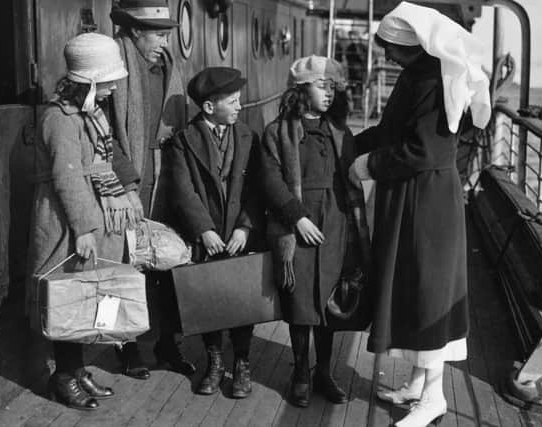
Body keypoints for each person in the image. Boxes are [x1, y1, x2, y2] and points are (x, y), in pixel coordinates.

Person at [348, 3, 490, 426]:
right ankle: (416, 383)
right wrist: (347, 145)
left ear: (412, 44)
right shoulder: (420, 75)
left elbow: (426, 150)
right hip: (415, 196)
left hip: (427, 202)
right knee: (414, 286)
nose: (386, 56)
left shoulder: (433, 80)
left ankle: (434, 398)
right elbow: (394, 133)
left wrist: (368, 165)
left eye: (390, 48)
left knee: (429, 292)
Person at [26, 32, 142, 410]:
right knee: (68, 296)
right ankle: (62, 377)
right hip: (66, 221)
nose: (111, 89)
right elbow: (68, 178)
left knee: (83, 292)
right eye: (107, 82)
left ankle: (75, 371)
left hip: (82, 215)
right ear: (90, 82)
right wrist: (85, 231)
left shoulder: (87, 114)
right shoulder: (61, 120)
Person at [259, 55, 370, 408]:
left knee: (328, 301)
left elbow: (352, 176)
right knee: (301, 302)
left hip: (336, 224)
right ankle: (301, 373)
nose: (328, 93)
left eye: (332, 87)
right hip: (300, 226)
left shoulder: (340, 131)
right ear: (300, 88)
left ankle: (324, 371)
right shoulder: (277, 132)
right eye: (321, 86)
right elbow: (270, 180)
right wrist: (297, 218)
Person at [109, 0, 194, 379]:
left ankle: (166, 343)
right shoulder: (114, 70)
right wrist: (126, 182)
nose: (163, 41)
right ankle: (126, 348)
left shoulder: (167, 67)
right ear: (134, 32)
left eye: (166, 34)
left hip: (164, 179)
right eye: (158, 34)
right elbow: (103, 135)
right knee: (125, 265)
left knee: (167, 264)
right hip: (129, 182)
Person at [165, 67, 262, 398]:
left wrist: (246, 227)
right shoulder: (182, 142)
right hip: (206, 236)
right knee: (209, 297)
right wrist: (203, 230)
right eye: (232, 101)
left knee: (242, 298)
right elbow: (183, 191)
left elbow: (255, 190)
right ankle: (215, 361)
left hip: (238, 235)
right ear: (209, 107)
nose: (239, 107)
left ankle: (242, 364)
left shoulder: (248, 137)